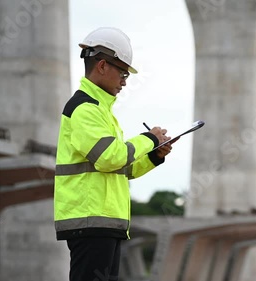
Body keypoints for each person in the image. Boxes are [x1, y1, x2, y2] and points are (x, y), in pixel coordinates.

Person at [54, 27, 173, 281]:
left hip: (105, 223)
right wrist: (149, 138)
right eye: (122, 72)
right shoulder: (85, 109)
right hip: (90, 222)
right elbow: (111, 157)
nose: (124, 80)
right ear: (102, 66)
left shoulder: (101, 112)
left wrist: (154, 156)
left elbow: (122, 168)